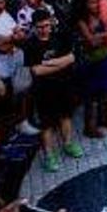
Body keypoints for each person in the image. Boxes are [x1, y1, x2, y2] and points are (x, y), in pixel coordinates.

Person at [24, 10, 82, 172]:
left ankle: (68, 144)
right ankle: (49, 155)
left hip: (63, 86)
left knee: (66, 116)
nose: (44, 29)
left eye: (46, 25)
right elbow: (36, 71)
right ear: (34, 27)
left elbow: (72, 58)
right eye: (39, 27)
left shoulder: (59, 37)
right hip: (43, 91)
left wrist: (48, 63)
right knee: (47, 124)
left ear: (51, 23)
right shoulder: (30, 44)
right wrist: (61, 63)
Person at [76, 0, 107, 138]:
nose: (95, 5)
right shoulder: (81, 21)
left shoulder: (100, 16)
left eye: (96, 2)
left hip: (105, 57)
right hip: (91, 61)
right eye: (91, 2)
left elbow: (102, 36)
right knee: (91, 95)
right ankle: (90, 127)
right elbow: (91, 41)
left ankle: (103, 118)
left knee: (105, 91)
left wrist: (102, 36)